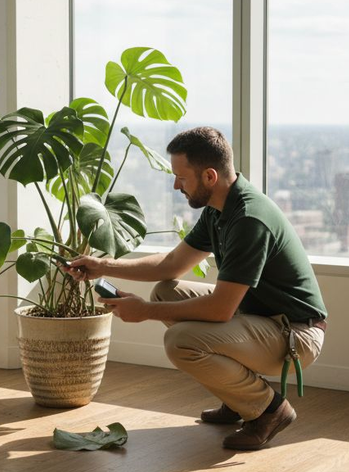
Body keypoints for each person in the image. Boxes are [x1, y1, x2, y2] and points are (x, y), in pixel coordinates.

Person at [67, 126, 326, 450]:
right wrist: (103, 266)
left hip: (294, 335)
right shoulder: (220, 209)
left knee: (180, 341)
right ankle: (238, 398)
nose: (176, 184)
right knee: (166, 290)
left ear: (209, 177)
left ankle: (270, 410)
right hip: (261, 319)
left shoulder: (248, 219)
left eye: (182, 177)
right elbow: (171, 265)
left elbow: (220, 310)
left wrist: (145, 311)